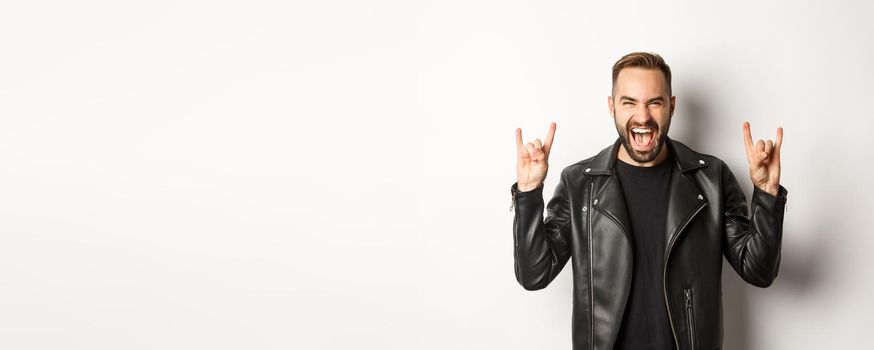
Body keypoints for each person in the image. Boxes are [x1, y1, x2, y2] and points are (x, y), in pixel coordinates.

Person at [510, 52, 788, 350]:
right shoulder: (579, 183)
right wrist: (528, 191)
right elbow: (534, 274)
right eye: (629, 102)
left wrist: (767, 192)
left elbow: (758, 271)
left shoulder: (713, 179)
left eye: (654, 102)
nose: (642, 117)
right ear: (611, 106)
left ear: (672, 106)